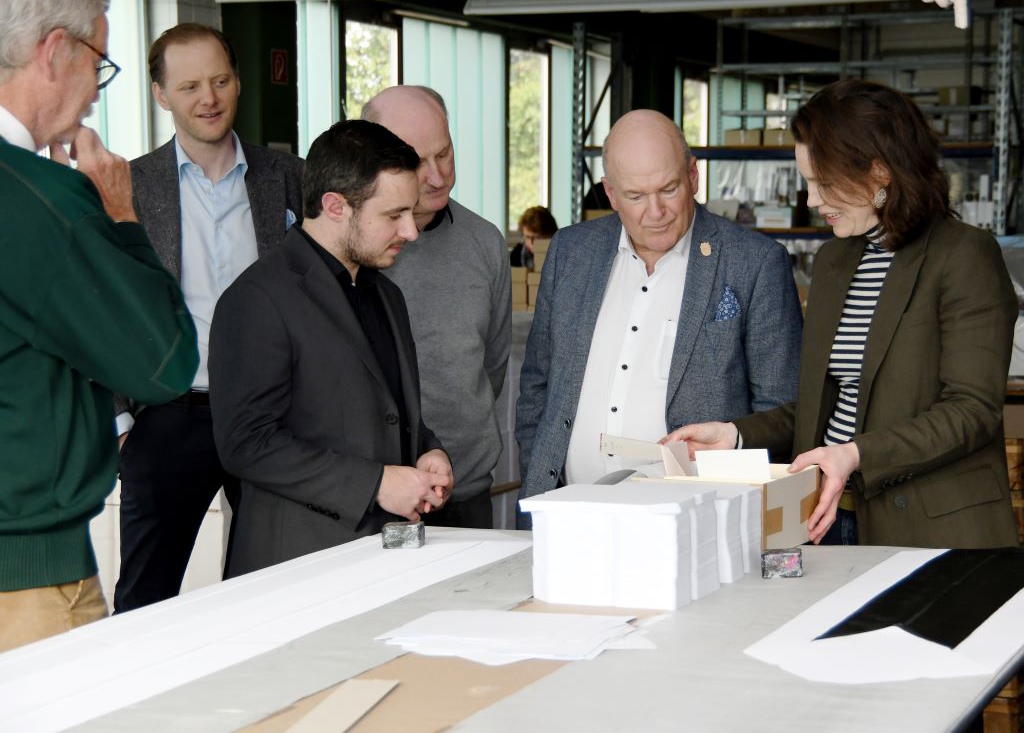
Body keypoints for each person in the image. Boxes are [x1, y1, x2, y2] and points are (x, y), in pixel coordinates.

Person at [669, 80, 1019, 549]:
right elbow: (817, 408)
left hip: (930, 528)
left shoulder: (963, 255)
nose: (812, 200)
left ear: (880, 173)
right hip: (830, 519)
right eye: (807, 182)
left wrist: (855, 455)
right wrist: (734, 434)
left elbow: (972, 411)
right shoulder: (836, 261)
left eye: (824, 183)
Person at [0, 0, 198, 650]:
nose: (94, 92)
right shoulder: (41, 203)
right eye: (97, 63)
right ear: (54, 52)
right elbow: (164, 362)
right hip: (29, 581)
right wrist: (120, 218)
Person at [515, 109, 802, 524]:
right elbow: (537, 386)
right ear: (610, 194)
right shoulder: (570, 252)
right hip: (565, 514)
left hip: (693, 525)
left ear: (693, 177)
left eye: (669, 189)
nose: (656, 211)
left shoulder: (754, 263)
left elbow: (783, 412)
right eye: (635, 196)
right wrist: (538, 471)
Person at [113, 24, 304, 613]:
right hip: (171, 414)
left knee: (269, 590)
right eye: (190, 85)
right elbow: (105, 307)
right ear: (161, 94)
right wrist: (122, 426)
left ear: (238, 82)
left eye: (220, 80)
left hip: (272, 416)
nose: (209, 98)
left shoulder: (289, 177)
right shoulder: (129, 188)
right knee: (145, 599)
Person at [208, 120, 453, 577]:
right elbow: (246, 444)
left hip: (382, 559)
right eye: (393, 215)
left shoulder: (385, 294)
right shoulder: (257, 299)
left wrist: (427, 452)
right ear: (335, 206)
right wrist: (377, 484)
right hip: (295, 566)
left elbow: (387, 409)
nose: (411, 231)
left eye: (411, 212)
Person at [362, 86, 511, 529]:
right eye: (416, 160)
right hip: (372, 498)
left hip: (465, 492)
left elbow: (493, 364)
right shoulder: (349, 248)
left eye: (444, 153)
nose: (437, 174)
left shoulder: (485, 242)